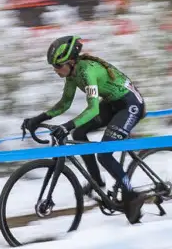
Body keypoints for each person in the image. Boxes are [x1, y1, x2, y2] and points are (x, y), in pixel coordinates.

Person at [22, 35, 148, 224]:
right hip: (112, 104)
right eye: (53, 67)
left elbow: (93, 109)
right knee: (79, 134)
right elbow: (64, 103)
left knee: (104, 154)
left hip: (129, 106)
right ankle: (97, 181)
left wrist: (66, 125)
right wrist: (38, 119)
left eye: (57, 66)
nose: (55, 70)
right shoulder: (73, 75)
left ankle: (132, 194)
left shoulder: (87, 71)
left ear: (70, 62)